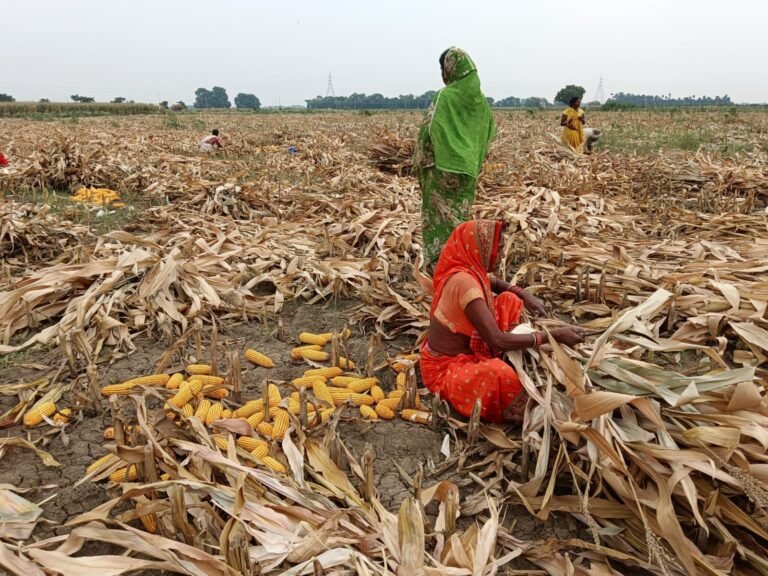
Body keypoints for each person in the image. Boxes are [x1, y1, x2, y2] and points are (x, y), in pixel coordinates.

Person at [419, 220, 585, 423]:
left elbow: (496, 283)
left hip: (468, 350)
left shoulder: (469, 270)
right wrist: (553, 337)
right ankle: (527, 409)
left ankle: (510, 353)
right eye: (497, 249)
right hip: (446, 369)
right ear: (481, 249)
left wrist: (524, 295)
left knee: (510, 300)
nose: (502, 255)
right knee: (498, 373)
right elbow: (497, 340)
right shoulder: (464, 283)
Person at [414, 47, 496, 273]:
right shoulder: (480, 101)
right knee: (459, 215)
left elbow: (430, 129)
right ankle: (460, 260)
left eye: (443, 67)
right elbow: (488, 131)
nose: (442, 72)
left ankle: (441, 266)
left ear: (450, 68)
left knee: (438, 217)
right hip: (467, 170)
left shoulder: (445, 96)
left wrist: (420, 161)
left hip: (441, 168)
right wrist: (472, 158)